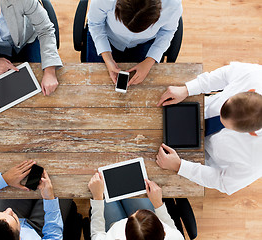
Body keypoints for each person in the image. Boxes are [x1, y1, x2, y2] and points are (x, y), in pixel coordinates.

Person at [156, 62, 262, 195]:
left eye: (226, 126)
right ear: (250, 90)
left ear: (251, 133)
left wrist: (180, 166)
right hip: (195, 110)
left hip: (202, 158)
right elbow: (225, 75)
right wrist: (188, 89)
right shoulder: (255, 75)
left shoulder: (256, 160)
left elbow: (223, 181)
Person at [0, 160, 71, 240]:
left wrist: (4, 179)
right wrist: (49, 199)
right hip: (38, 233)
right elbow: (53, 238)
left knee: (28, 170)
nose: (8, 210)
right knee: (64, 181)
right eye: (12, 217)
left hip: (15, 224)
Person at [87, 0, 182, 85]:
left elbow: (167, 31)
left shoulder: (173, 3)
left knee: (144, 84)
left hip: (145, 43)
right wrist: (107, 57)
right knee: (93, 79)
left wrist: (149, 61)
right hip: (107, 36)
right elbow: (95, 24)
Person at [88, 172, 184, 239]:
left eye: (132, 216)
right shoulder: (175, 237)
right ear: (164, 232)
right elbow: (170, 226)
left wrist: (97, 198)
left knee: (105, 191)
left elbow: (97, 234)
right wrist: (158, 204)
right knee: (131, 184)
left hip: (113, 229)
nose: (134, 212)